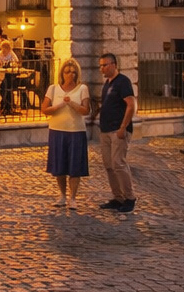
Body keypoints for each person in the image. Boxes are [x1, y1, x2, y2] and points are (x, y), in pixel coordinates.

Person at [89, 53, 136, 213]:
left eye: (105, 65)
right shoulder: (107, 84)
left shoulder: (123, 82)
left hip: (118, 129)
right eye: (100, 65)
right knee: (109, 165)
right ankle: (118, 197)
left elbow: (131, 105)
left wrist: (123, 127)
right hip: (105, 129)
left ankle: (130, 197)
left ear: (114, 64)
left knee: (118, 163)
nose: (102, 68)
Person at [41, 58, 90, 209]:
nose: (70, 75)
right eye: (67, 72)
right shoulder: (53, 89)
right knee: (59, 165)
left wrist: (72, 103)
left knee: (75, 166)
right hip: (57, 130)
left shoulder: (82, 89)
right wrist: (60, 105)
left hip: (76, 131)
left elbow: (86, 110)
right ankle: (62, 195)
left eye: (74, 72)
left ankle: (73, 197)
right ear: (62, 73)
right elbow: (44, 109)